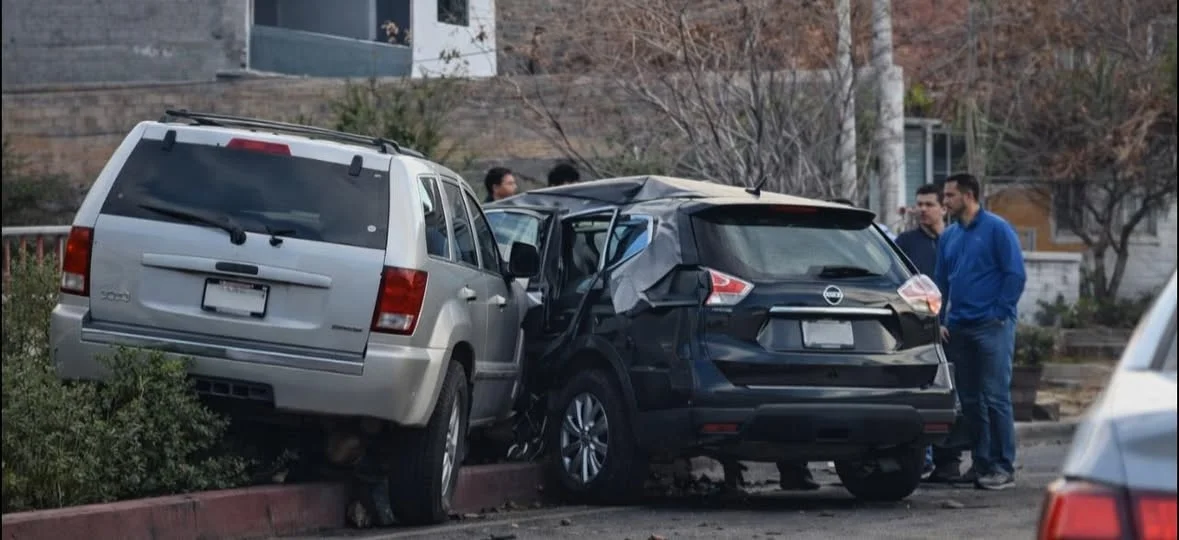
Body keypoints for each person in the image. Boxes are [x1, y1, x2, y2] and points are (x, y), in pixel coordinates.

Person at [935, 173, 1027, 491]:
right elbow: (941, 282)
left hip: (992, 327)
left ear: (969, 195)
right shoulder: (949, 236)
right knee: (971, 400)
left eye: (950, 196)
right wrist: (939, 320)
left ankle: (1003, 466)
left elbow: (1015, 274)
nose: (944, 202)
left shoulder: (998, 229)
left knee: (996, 397)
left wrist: (1000, 313)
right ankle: (982, 463)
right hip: (959, 327)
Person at [894, 183, 966, 483]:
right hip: (923, 330)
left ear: (943, 208)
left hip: (959, 327)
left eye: (928, 204)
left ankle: (950, 461)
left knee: (957, 396)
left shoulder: (956, 240)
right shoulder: (907, 242)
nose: (922, 210)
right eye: (918, 204)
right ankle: (919, 460)